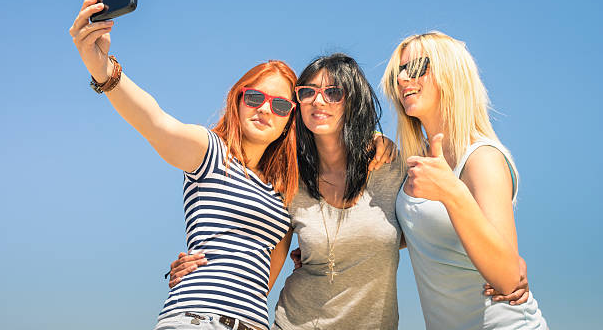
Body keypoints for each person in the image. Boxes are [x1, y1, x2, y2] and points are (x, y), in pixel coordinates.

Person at [170, 53, 531, 329]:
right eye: (307, 92)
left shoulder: (392, 167)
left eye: (333, 92)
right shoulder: (289, 180)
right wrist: (205, 278)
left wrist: (503, 262)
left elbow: (423, 226)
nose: (318, 100)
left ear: (352, 100)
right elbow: (263, 268)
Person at [69, 0, 300, 330]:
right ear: (237, 100)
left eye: (279, 105)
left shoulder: (283, 190)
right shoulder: (210, 152)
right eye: (255, 97)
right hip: (198, 319)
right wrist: (103, 69)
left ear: (290, 118)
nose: (265, 109)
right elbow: (155, 122)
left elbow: (264, 277)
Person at [381, 31, 547, 329]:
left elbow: (509, 279)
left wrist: (452, 192)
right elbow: (413, 229)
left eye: (416, 67)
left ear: (451, 74)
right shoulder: (419, 163)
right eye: (398, 72)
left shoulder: (482, 158)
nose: (404, 79)